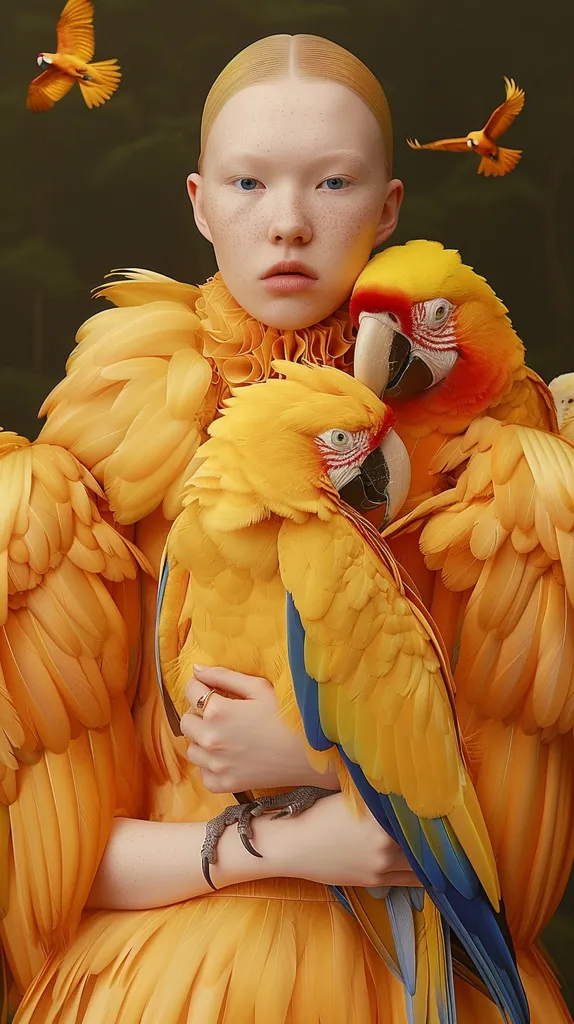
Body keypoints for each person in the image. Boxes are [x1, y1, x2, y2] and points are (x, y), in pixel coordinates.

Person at [4, 32, 570, 1024]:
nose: (290, 226)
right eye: (249, 182)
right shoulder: (108, 450)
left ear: (389, 205)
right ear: (199, 202)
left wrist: (316, 756)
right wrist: (296, 845)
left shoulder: (490, 459)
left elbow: (503, 880)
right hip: (169, 975)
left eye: (334, 181)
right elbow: (49, 877)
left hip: (423, 970)